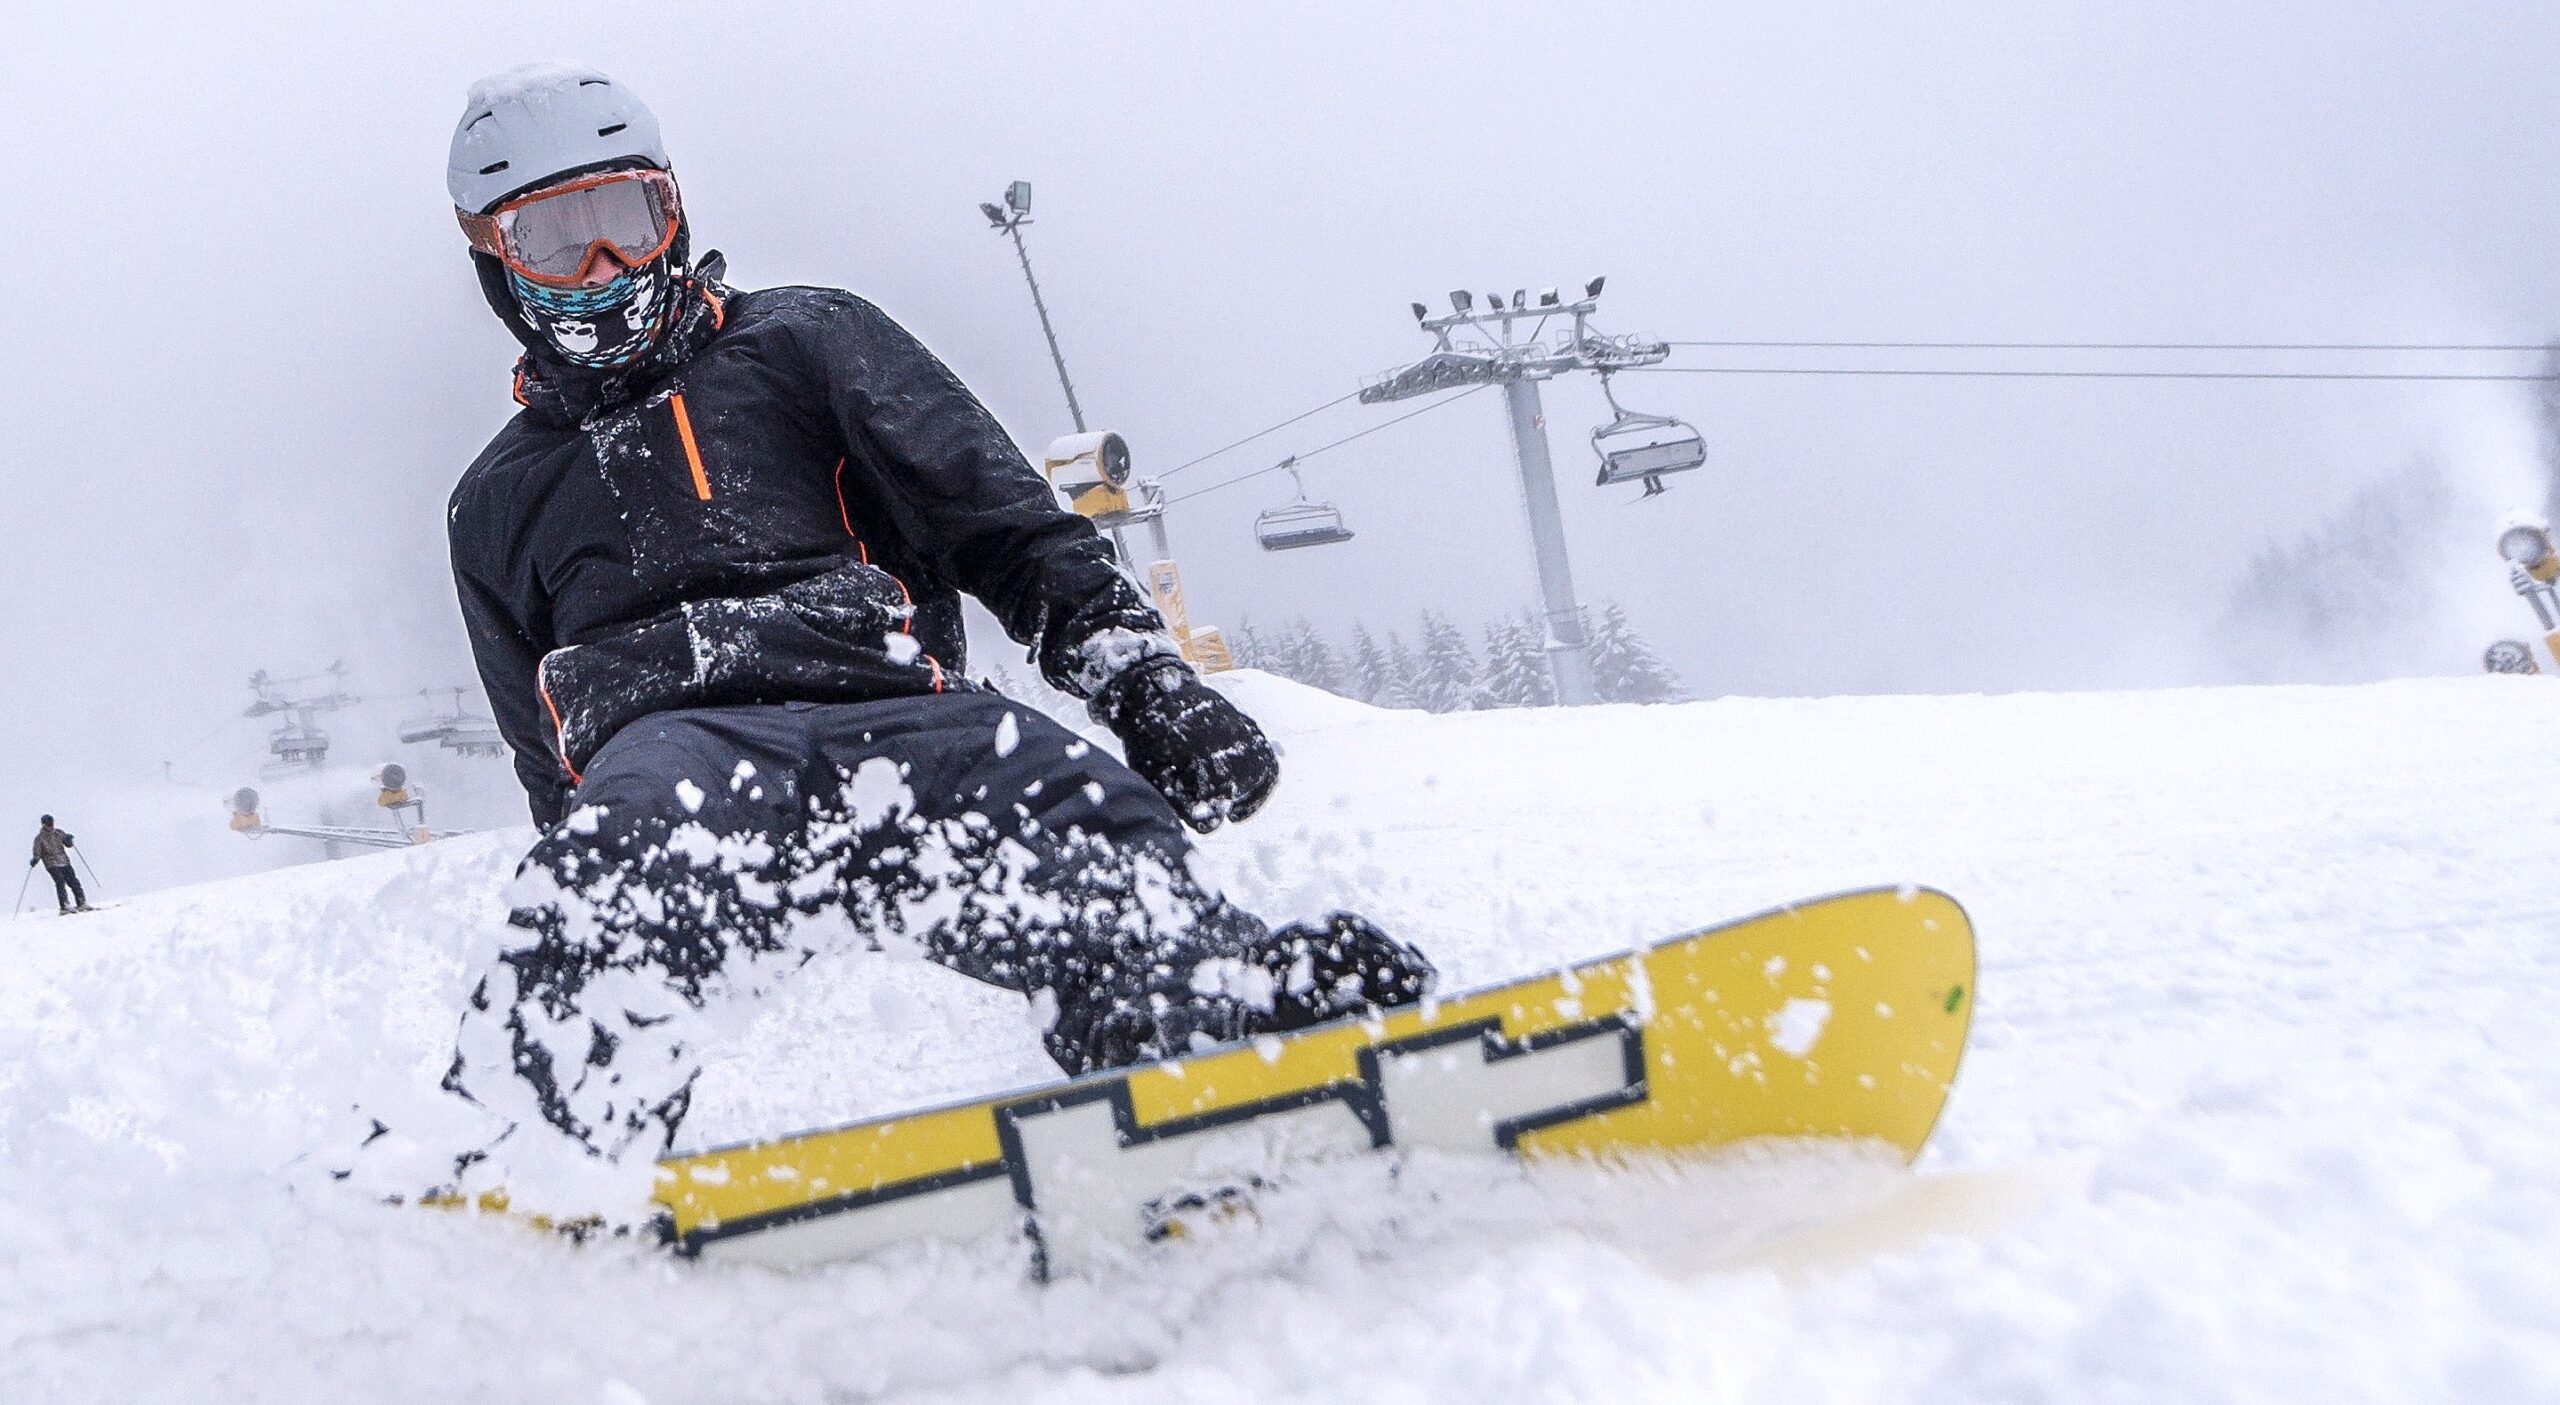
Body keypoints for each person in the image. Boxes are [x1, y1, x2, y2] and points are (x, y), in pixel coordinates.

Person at [434, 65, 1433, 1164]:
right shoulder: (497, 498)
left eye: (626, 219)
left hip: (898, 718)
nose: (607, 265)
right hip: (681, 754)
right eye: (555, 238)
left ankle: (1210, 1016)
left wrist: (1143, 683)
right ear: (498, 264)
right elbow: (545, 750)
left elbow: (996, 516)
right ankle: (541, 1156)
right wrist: (575, 849)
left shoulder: (802, 341)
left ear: (672, 209)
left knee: (1073, 808)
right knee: (601, 879)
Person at [30, 816, 88, 915]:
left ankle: (81, 903)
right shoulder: (39, 838)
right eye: (48, 825)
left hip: (64, 861)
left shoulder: (59, 833)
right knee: (60, 882)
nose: (51, 827)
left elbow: (68, 844)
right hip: (51, 863)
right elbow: (37, 852)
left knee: (74, 882)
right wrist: (35, 859)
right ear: (43, 825)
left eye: (52, 824)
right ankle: (64, 906)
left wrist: (69, 840)